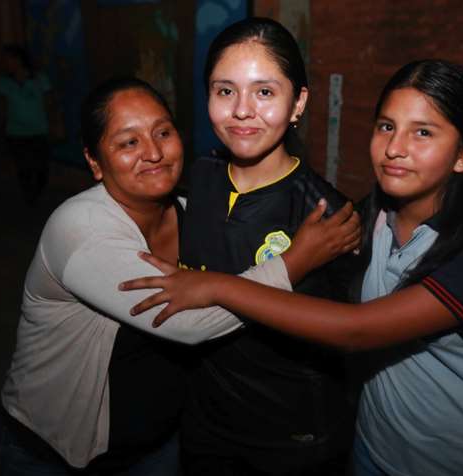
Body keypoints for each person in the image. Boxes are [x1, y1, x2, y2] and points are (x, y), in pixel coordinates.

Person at [122, 59, 463, 476]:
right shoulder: (367, 221)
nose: (395, 148)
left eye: (423, 133)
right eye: (386, 126)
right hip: (374, 452)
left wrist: (216, 286)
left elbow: (355, 330)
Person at [0, 77, 358, 476]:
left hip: (163, 443)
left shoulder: (196, 213)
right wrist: (295, 261)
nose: (153, 152)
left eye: (163, 133)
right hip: (57, 453)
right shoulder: (80, 228)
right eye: (128, 142)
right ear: (95, 163)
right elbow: (187, 322)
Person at [152, 17, 358, 476]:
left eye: (264, 92)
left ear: (298, 102)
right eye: (225, 91)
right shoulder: (199, 177)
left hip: (291, 437)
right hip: (204, 424)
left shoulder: (327, 216)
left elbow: (344, 334)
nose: (242, 110)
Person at [0, 45, 53, 206]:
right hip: (16, 132)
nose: (6, 62)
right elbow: (2, 108)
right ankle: (29, 199)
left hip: (39, 130)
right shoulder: (3, 82)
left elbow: (49, 104)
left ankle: (37, 193)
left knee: (42, 168)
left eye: (9, 58)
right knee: (23, 168)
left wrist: (55, 125)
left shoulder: (40, 79)